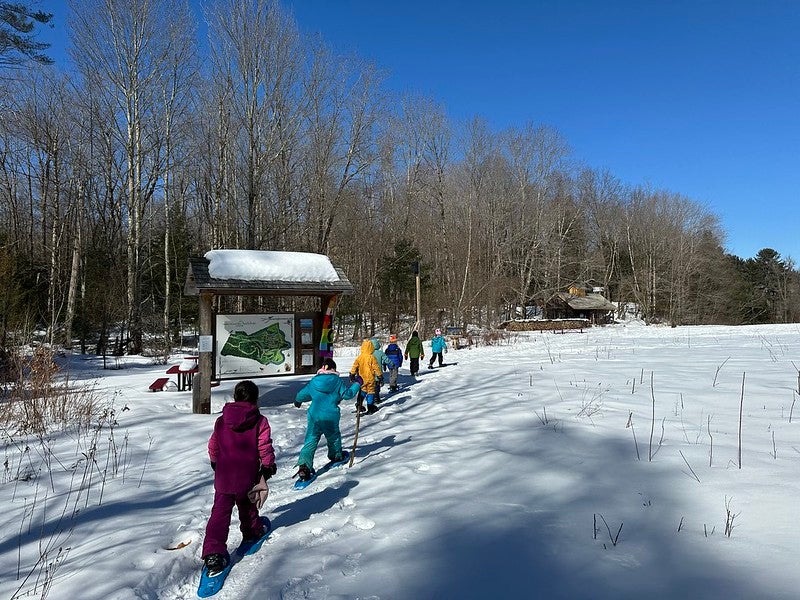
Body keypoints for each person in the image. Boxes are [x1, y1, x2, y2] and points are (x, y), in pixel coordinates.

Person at [202, 380, 276, 576]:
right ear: (256, 399)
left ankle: (214, 553)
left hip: (224, 477)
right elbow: (264, 447)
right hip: (247, 476)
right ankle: (252, 532)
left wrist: (215, 463)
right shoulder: (260, 421)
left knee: (219, 515)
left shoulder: (221, 421)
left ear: (235, 397)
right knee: (248, 507)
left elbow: (213, 446)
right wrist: (268, 466)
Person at [293, 358, 360, 482]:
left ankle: (304, 466)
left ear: (323, 368)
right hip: (330, 417)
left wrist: (298, 400)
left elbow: (302, 393)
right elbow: (347, 394)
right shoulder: (337, 381)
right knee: (333, 437)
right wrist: (357, 384)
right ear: (333, 369)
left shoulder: (314, 381)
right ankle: (336, 456)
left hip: (314, 416)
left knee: (310, 441)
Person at [349, 338, 383, 414]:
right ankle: (370, 407)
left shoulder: (360, 357)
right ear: (371, 347)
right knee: (371, 392)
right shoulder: (372, 357)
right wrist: (380, 375)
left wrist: (352, 374)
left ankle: (359, 404)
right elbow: (376, 367)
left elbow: (355, 366)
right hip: (371, 378)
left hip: (362, 378)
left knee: (363, 391)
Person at [371, 336, 392, 402]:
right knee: (377, 385)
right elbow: (386, 359)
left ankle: (372, 397)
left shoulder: (369, 353)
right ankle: (377, 397)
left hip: (371, 373)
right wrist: (391, 363)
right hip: (378, 372)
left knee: (372, 385)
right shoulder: (380, 353)